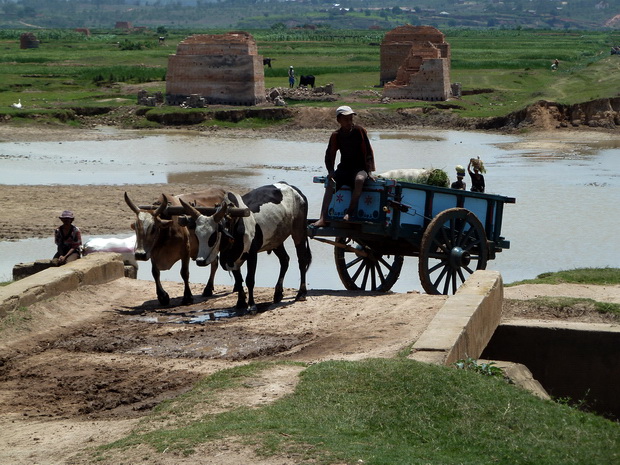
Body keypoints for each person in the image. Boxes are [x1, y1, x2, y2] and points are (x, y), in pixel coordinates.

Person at [311, 105, 375, 227]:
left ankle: (349, 212)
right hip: (344, 169)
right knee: (330, 184)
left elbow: (368, 151)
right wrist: (331, 171)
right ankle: (323, 218)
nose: (349, 122)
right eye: (346, 119)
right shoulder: (336, 135)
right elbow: (329, 154)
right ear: (339, 120)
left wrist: (370, 171)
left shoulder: (359, 131)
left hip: (359, 168)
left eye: (350, 118)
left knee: (360, 179)